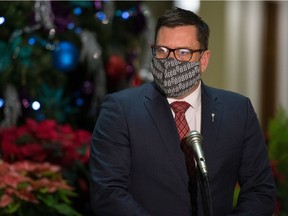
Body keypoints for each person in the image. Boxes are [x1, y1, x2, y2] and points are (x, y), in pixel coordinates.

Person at [89, 7, 276, 216]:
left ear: (203, 60)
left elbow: (260, 191)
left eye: (183, 53)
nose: (170, 61)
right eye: (162, 51)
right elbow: (107, 193)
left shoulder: (238, 111)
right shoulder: (120, 110)